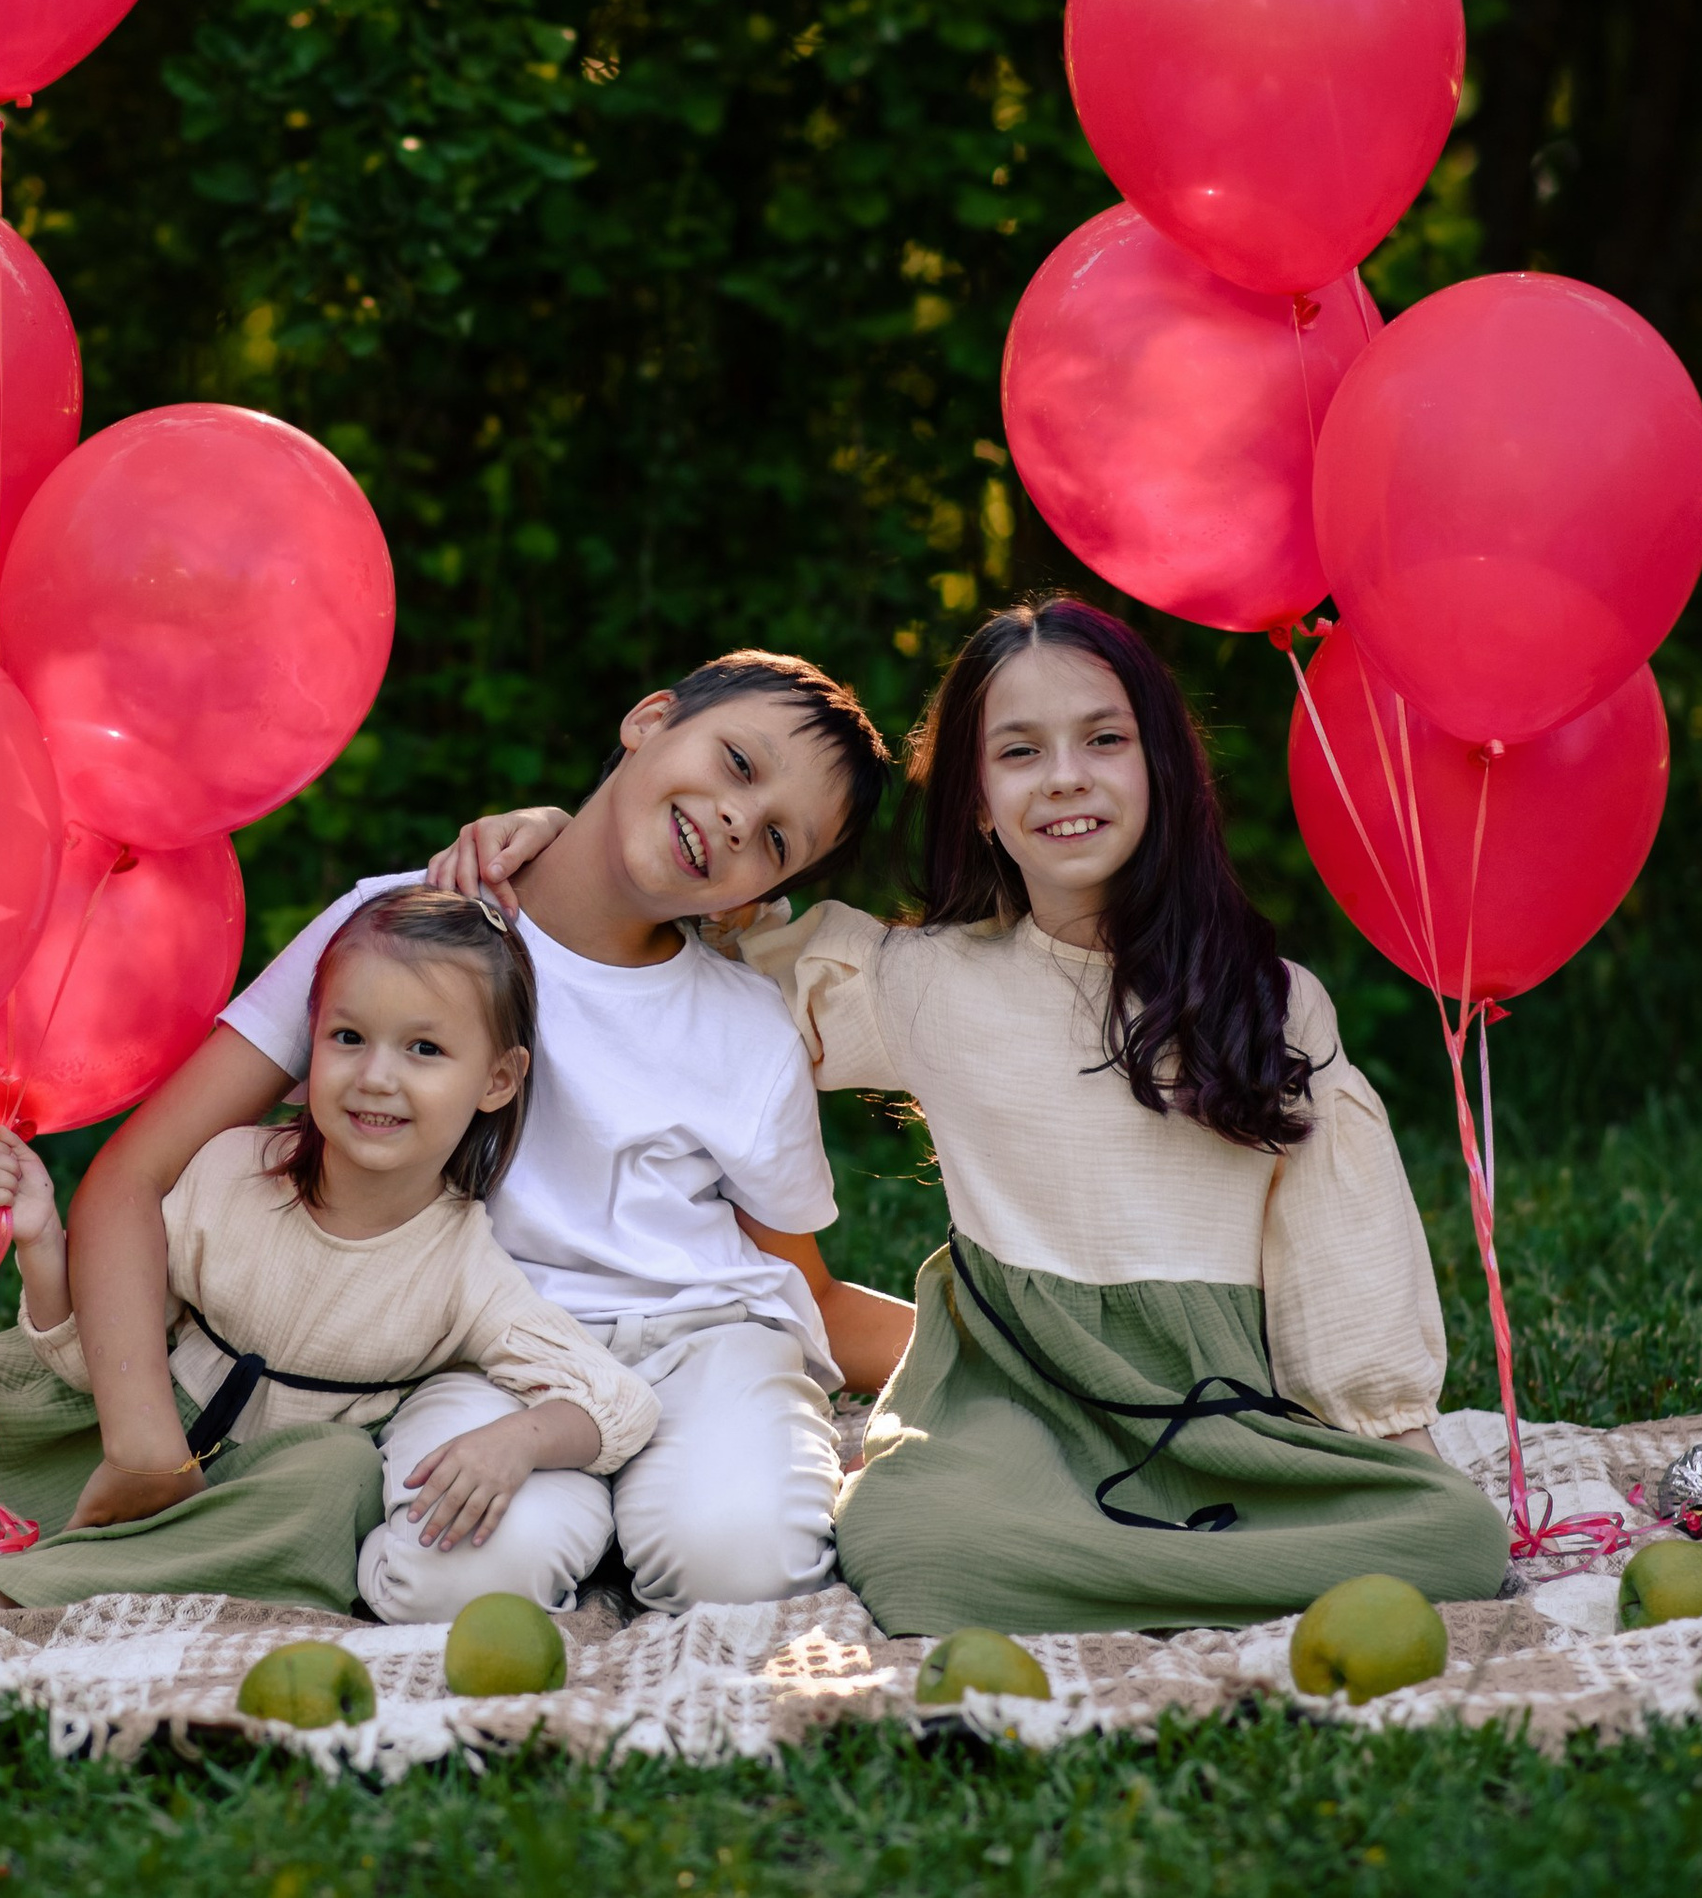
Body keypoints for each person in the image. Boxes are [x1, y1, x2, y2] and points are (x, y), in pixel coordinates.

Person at [445, 597, 1510, 1634]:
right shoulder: (922, 982)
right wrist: (543, 840)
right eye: (1018, 753)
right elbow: (684, 951)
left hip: (1220, 1410)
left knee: (1455, 1538)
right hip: (1018, 1418)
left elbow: (1344, 1248)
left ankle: (1147, 1557)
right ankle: (1186, 1563)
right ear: (974, 800)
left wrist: (1391, 1437)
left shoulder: (1268, 999)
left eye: (1103, 739)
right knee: (909, 1549)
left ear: (1163, 768)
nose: (1064, 780)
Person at [61, 649, 908, 1620]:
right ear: (648, 720)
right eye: (737, 764)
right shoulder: (397, 935)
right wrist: (143, 1446)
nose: (732, 817)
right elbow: (135, 1175)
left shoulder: (747, 1029)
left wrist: (1010, 1353)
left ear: (758, 894)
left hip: (702, 1341)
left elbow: (802, 1285)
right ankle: (594, 1524)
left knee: (742, 1564)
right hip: (487, 1344)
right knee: (447, 1581)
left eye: (772, 839)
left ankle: (668, 1511)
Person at [0, 886, 655, 1614]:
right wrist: (44, 1245)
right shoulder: (228, 1173)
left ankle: (36, 1584)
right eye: (347, 1037)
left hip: (240, 1503)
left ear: (498, 1080)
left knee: (335, 1487)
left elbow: (614, 1402)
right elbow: (92, 1361)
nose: (376, 1076)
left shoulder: (463, 1266)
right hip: (106, 1445)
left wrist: (515, 1442)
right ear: (308, 1053)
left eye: (423, 1050)